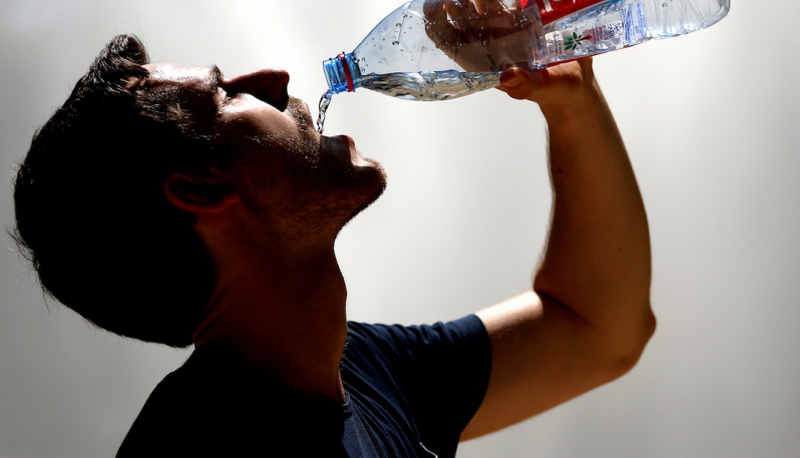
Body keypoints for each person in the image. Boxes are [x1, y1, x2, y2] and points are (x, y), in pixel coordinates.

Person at [12, 14, 655, 457]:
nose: (273, 79)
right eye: (226, 93)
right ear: (203, 191)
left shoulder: (366, 372)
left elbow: (598, 327)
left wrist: (571, 99)